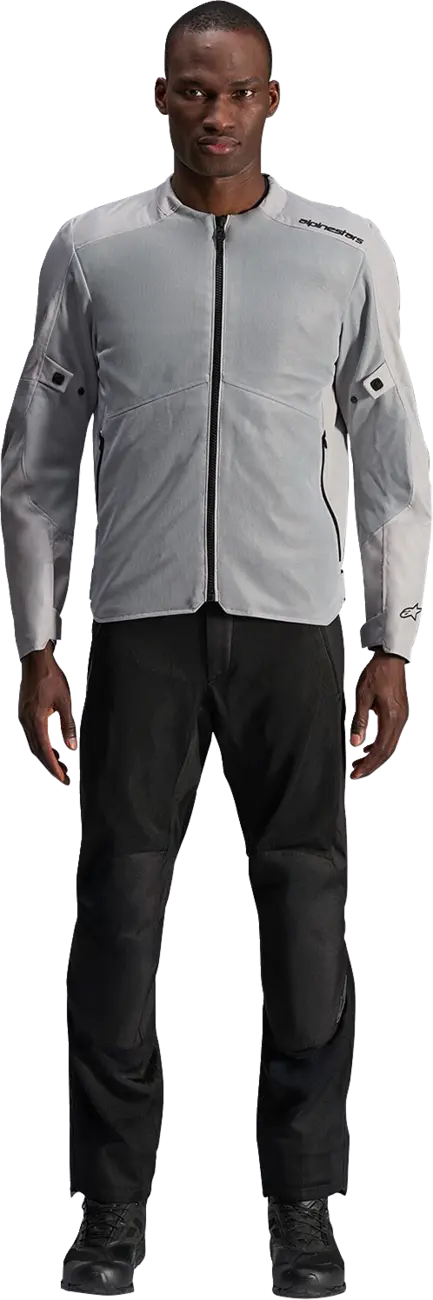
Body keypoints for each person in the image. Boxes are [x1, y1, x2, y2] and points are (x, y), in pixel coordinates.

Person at [1, 3, 431, 1297]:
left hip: (293, 625)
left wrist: (391, 638)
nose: (218, 114)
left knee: (306, 915)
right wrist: (37, 639)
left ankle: (303, 1209)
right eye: (194, 91)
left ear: (273, 98)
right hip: (139, 624)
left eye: (239, 91)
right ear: (160, 97)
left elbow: (388, 459)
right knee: (116, 916)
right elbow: (38, 463)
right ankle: (108, 1211)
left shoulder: (343, 252)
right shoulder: (96, 251)